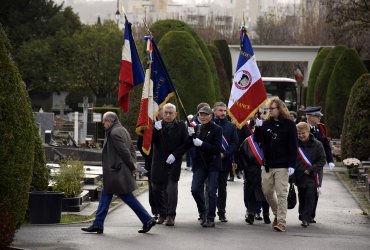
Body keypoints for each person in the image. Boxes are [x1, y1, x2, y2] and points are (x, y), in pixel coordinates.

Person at [81, 112, 155, 234]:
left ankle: (147, 219)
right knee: (107, 195)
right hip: (116, 172)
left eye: (104, 122)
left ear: (109, 121)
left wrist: (132, 167)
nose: (103, 124)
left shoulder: (114, 133)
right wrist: (133, 164)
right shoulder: (122, 130)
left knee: (127, 197)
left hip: (116, 172)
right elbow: (131, 149)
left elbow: (125, 152)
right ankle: (98, 224)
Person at [254, 97, 298, 232]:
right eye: (268, 109)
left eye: (272, 109)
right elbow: (257, 140)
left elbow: (293, 146)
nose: (270, 111)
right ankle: (277, 215)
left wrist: (292, 164)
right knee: (267, 192)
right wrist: (258, 127)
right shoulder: (266, 123)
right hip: (267, 164)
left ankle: (281, 222)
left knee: (281, 194)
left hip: (283, 165)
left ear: (280, 109)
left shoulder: (289, 125)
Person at [151, 103, 189, 226]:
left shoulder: (181, 126)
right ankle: (162, 214)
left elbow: (186, 144)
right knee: (156, 188)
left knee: (171, 190)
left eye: (170, 113)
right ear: (162, 113)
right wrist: (155, 131)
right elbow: (150, 142)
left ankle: (170, 215)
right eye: (165, 112)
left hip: (173, 162)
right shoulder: (157, 126)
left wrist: (175, 155)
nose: (167, 115)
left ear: (175, 114)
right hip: (158, 162)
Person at [189, 105, 222, 228]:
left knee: (211, 191)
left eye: (205, 115)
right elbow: (191, 146)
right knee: (195, 189)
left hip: (213, 164)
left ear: (211, 116)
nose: (202, 117)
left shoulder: (217, 129)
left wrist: (202, 143)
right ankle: (203, 211)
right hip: (200, 165)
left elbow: (216, 149)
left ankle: (210, 218)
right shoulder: (197, 128)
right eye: (200, 114)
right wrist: (190, 136)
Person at [305, 106, 335, 223]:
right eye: (317, 116)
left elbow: (326, 145)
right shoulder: (301, 127)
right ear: (309, 117)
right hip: (304, 164)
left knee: (315, 189)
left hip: (318, 165)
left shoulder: (321, 128)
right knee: (305, 190)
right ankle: (304, 214)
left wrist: (330, 160)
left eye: (319, 116)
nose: (319, 118)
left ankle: (311, 215)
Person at [294, 122, 326, 227]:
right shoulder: (295, 144)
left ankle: (306, 218)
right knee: (302, 196)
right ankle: (303, 214)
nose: (301, 135)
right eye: (298, 133)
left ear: (308, 132)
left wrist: (311, 169)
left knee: (310, 196)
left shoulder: (317, 144)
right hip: (299, 176)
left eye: (303, 133)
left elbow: (322, 161)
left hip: (312, 176)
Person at [213, 102, 238, 223]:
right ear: (214, 111)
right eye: (220, 110)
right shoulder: (209, 124)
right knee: (210, 187)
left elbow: (234, 143)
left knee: (222, 188)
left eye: (224, 111)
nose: (223, 113)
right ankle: (208, 211)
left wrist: (225, 154)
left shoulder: (231, 126)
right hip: (211, 161)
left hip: (224, 161)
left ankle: (221, 212)